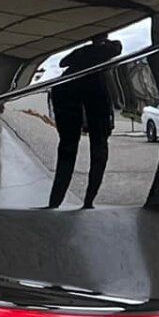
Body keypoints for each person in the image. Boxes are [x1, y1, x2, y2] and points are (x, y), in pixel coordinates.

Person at [47, 35, 122, 209]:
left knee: (88, 150)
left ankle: (77, 201)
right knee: (84, 149)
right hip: (84, 101)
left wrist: (90, 49)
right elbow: (62, 62)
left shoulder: (99, 51)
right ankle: (62, 201)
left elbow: (63, 63)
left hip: (89, 102)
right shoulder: (93, 53)